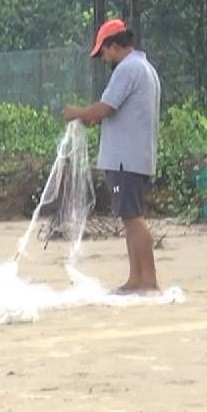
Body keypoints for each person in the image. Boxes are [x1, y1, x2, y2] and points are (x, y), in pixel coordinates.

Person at [62, 19, 162, 294]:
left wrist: (78, 113)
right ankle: (136, 279)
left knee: (133, 217)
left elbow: (105, 108)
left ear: (114, 45)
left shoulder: (127, 69)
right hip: (135, 156)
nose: (104, 59)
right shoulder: (144, 68)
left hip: (125, 158)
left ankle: (149, 280)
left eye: (104, 52)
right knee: (130, 217)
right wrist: (90, 117)